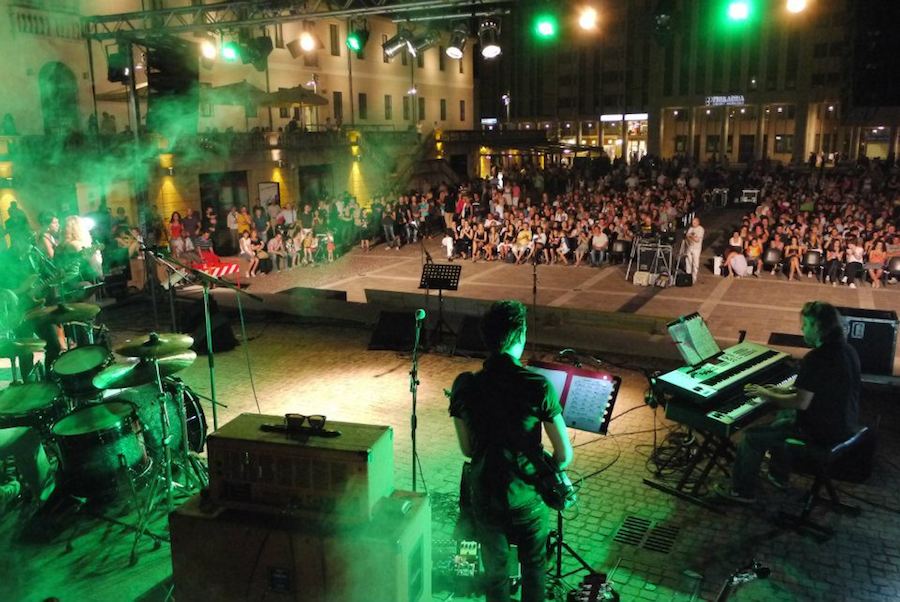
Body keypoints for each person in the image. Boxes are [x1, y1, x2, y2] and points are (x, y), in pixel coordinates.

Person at [448, 300, 573, 602]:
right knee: (533, 568)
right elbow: (564, 455)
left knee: (495, 572)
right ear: (521, 336)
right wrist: (543, 472)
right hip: (527, 498)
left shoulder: (464, 386)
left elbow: (467, 449)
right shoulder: (538, 386)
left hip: (485, 494)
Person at [716, 301, 860, 504]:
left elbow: (800, 402)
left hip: (823, 433)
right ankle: (778, 476)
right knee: (783, 417)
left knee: (751, 437)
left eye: (806, 325)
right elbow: (818, 391)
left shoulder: (817, 358)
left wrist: (767, 394)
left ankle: (742, 492)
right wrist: (779, 391)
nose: (802, 329)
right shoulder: (847, 350)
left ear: (818, 327)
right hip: (846, 423)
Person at [685, 216, 704, 282]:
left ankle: (694, 277)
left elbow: (697, 239)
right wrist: (690, 236)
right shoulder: (690, 228)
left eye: (695, 222)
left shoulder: (700, 229)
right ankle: (688, 275)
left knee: (695, 263)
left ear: (698, 223)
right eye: (693, 222)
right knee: (688, 260)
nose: (693, 224)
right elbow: (687, 236)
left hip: (697, 248)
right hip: (690, 247)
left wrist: (691, 236)